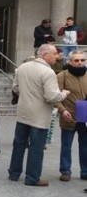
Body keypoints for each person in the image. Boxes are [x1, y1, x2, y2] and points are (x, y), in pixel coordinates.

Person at [9, 44, 69, 186]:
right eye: (54, 53)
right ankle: (32, 177)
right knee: (36, 148)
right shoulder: (48, 73)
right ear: (44, 55)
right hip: (39, 115)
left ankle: (14, 173)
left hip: (23, 112)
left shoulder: (22, 68)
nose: (57, 56)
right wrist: (64, 94)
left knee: (19, 144)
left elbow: (15, 88)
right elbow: (51, 96)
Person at [56, 50, 87, 182]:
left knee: (85, 146)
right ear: (70, 61)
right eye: (76, 60)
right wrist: (62, 111)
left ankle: (85, 171)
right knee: (66, 145)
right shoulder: (62, 75)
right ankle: (65, 171)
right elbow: (56, 96)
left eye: (82, 60)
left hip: (85, 117)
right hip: (68, 116)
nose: (79, 63)